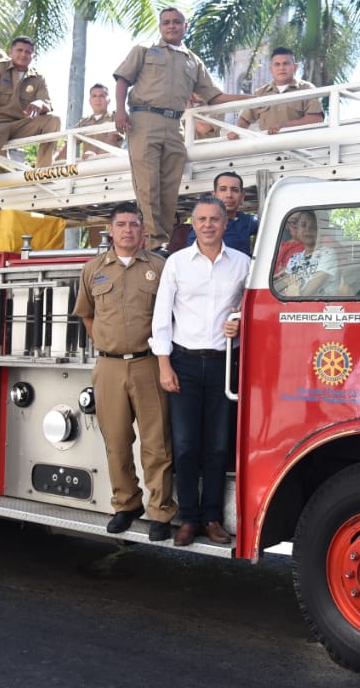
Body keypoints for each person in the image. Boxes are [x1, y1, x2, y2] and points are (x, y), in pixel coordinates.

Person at [72, 203, 176, 542]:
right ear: (111, 230)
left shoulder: (160, 268)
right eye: (121, 225)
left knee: (156, 443)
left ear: (142, 230)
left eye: (134, 224)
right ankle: (126, 504)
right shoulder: (93, 270)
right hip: (109, 367)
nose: (128, 230)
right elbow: (86, 315)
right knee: (116, 441)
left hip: (149, 363)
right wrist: (106, 344)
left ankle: (160, 510)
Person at [151, 195, 249, 546]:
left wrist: (241, 324)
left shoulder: (242, 265)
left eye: (215, 219)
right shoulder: (176, 264)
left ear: (226, 223)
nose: (208, 225)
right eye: (202, 219)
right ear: (192, 224)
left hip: (225, 363)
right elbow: (162, 317)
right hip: (184, 363)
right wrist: (164, 364)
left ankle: (212, 518)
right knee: (186, 445)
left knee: (219, 445)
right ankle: (189, 519)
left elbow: (251, 311)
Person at [113, 7, 252, 249]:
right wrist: (121, 111)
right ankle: (154, 242)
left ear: (185, 26)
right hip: (144, 120)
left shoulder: (193, 62)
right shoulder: (144, 50)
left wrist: (246, 99)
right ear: (160, 26)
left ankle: (163, 242)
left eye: (177, 22)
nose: (171, 26)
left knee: (169, 188)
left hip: (175, 124)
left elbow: (214, 96)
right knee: (148, 185)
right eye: (166, 22)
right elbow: (123, 79)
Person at [0, 35, 61, 211]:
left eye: (28, 52)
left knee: (53, 120)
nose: (23, 54)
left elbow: (47, 103)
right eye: (19, 50)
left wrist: (39, 104)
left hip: (22, 124)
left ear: (32, 56)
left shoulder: (38, 77)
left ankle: (42, 176)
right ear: (11, 51)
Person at [228, 47, 324, 139]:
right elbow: (245, 119)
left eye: (286, 63)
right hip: (267, 150)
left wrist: (284, 125)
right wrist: (237, 130)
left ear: (295, 67)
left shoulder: (307, 89)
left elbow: (316, 119)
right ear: (271, 69)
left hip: (298, 150)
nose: (281, 68)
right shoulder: (260, 93)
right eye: (277, 64)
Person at [186, 171, 259, 256]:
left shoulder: (248, 221)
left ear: (242, 196)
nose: (229, 195)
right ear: (214, 195)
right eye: (223, 189)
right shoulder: (204, 226)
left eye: (234, 190)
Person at [274, 210, 339, 296]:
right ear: (298, 229)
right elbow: (285, 286)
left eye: (313, 226)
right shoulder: (294, 258)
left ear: (322, 230)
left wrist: (295, 297)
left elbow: (307, 293)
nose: (308, 229)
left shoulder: (328, 254)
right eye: (303, 225)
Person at [66, 83, 122, 161]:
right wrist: (52, 163)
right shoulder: (84, 122)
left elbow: (112, 139)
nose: (97, 99)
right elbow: (68, 145)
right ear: (90, 101)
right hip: (88, 167)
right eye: (94, 96)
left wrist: (95, 157)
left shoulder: (115, 117)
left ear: (108, 100)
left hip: (111, 165)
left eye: (101, 96)